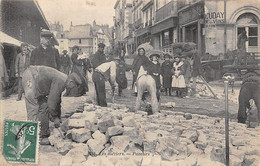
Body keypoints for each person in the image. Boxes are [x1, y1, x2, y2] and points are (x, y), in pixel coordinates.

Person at [22, 66, 73, 145]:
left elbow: (57, 99)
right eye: (73, 87)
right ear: (71, 81)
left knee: (44, 106)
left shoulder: (63, 79)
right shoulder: (61, 80)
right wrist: (55, 117)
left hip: (39, 84)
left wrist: (57, 116)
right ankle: (31, 139)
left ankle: (43, 134)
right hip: (31, 76)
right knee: (33, 108)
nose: (71, 89)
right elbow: (52, 102)